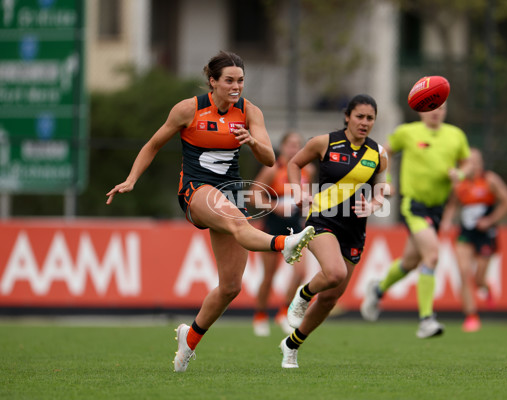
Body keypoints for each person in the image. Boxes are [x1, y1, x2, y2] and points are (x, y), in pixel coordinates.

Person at [105, 51, 315, 373]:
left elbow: (269, 158)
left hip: (231, 194)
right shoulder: (188, 109)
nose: (236, 86)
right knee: (237, 221)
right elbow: (153, 144)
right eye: (229, 80)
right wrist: (131, 179)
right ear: (212, 81)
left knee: (231, 286)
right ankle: (285, 244)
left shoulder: (249, 112)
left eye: (240, 81)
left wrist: (251, 142)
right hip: (196, 192)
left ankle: (188, 339)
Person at [279, 94, 389, 368]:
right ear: (347, 117)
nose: (365, 123)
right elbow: (294, 163)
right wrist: (297, 192)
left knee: (330, 298)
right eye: (360, 116)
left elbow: (382, 188)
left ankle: (292, 344)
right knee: (335, 272)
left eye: (370, 118)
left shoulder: (378, 153)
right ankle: (303, 296)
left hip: (354, 229)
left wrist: (374, 204)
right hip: (321, 219)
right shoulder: (324, 142)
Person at [360, 102, 471, 339]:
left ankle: (377, 290)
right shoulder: (407, 132)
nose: (436, 112)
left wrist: (459, 174)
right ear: (421, 110)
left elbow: (468, 163)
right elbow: (384, 152)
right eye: (431, 107)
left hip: (438, 208)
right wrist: (386, 180)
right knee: (432, 256)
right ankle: (426, 320)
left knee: (410, 262)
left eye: (440, 108)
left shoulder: (455, 135)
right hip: (414, 205)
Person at [440, 147, 507, 332]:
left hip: (485, 234)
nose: (474, 165)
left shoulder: (490, 180)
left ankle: (485, 287)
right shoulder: (459, 184)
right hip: (466, 233)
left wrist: (490, 220)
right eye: (470, 162)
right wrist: (447, 221)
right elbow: (452, 205)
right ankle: (471, 316)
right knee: (464, 273)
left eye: (477, 161)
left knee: (478, 278)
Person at [249, 131, 314, 337]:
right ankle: (260, 315)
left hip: (296, 226)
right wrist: (273, 205)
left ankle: (284, 311)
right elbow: (253, 195)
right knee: (269, 275)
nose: (294, 148)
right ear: (283, 147)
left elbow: (306, 196)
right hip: (274, 225)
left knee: (301, 272)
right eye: (291, 144)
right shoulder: (272, 170)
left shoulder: (307, 170)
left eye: (298, 145)